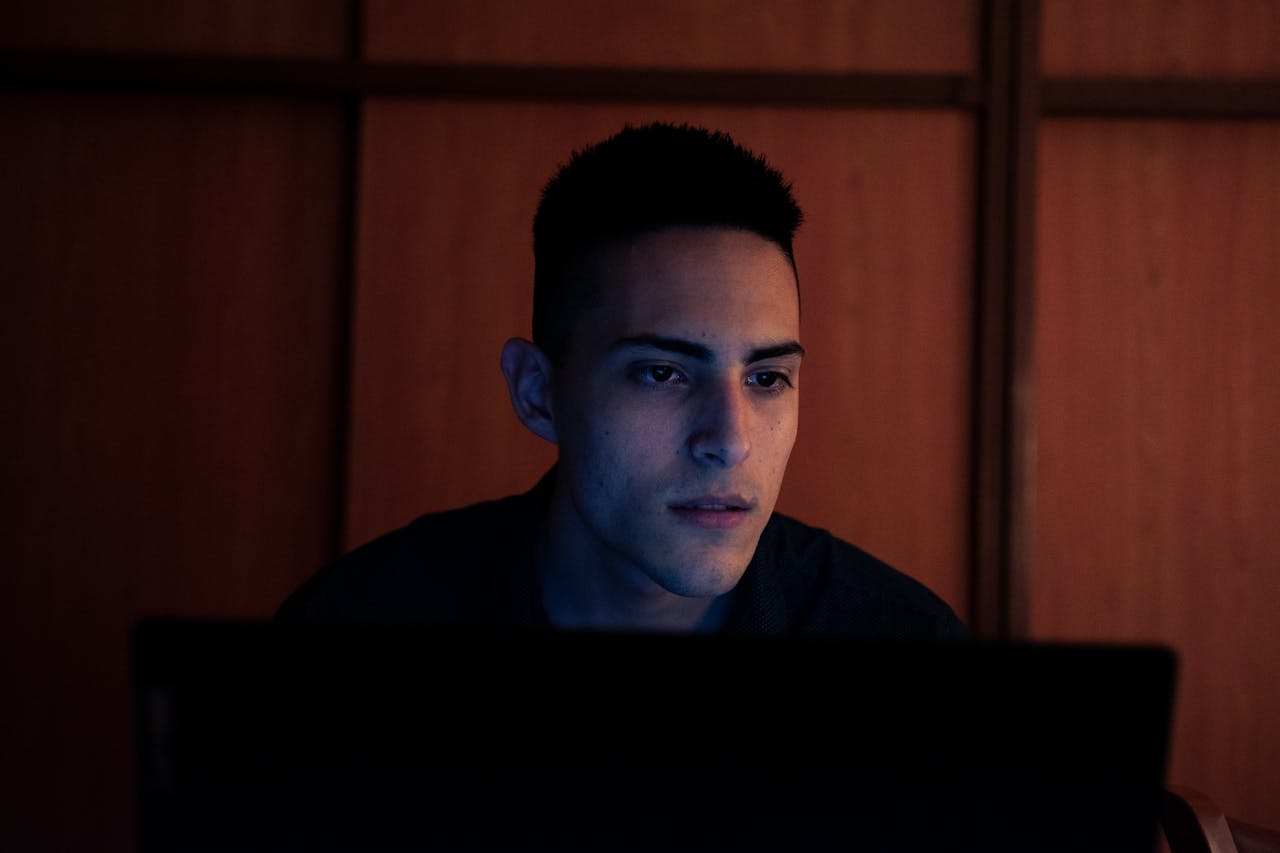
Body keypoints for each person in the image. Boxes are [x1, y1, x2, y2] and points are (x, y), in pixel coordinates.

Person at [278, 122, 963, 638]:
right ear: (538, 391)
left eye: (767, 378)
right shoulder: (362, 625)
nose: (731, 440)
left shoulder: (895, 641)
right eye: (662, 372)